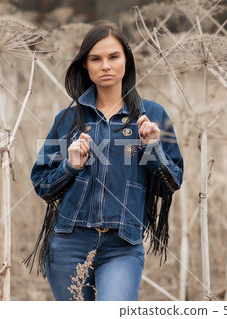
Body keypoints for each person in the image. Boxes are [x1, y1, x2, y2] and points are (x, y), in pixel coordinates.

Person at [23, 22, 183, 301]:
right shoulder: (67, 120)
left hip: (123, 244)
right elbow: (43, 185)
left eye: (113, 57)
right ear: (85, 65)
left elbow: (170, 184)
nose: (105, 65)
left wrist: (152, 148)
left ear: (126, 61)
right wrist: (70, 165)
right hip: (68, 242)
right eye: (95, 59)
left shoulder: (153, 114)